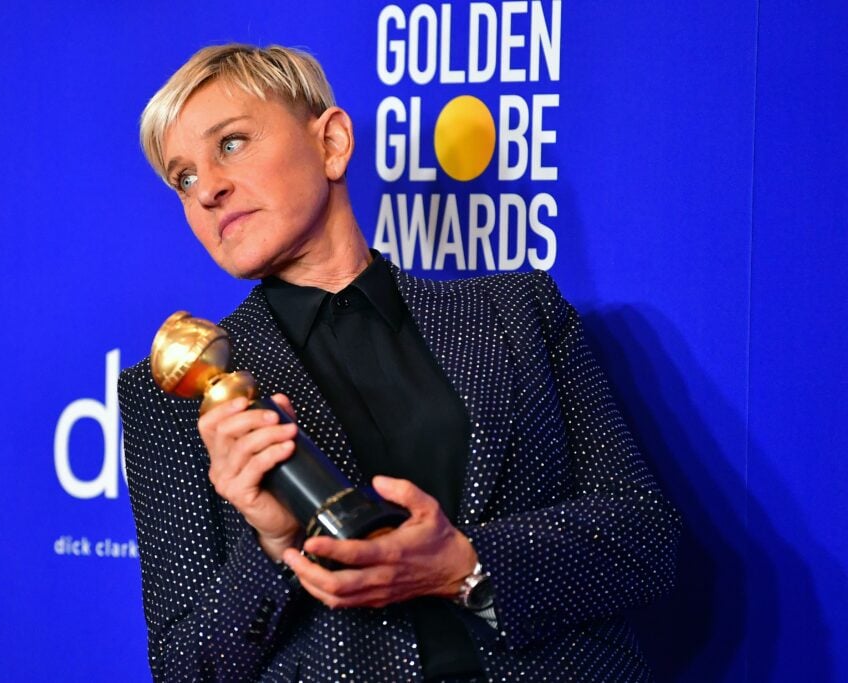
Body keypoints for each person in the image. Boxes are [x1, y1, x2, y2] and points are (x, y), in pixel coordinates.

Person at [120, 44, 681, 682]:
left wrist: (465, 566)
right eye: (183, 177)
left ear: (331, 142)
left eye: (232, 143)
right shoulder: (173, 396)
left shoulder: (517, 313)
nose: (209, 190)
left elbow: (647, 537)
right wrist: (272, 546)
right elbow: (186, 671)